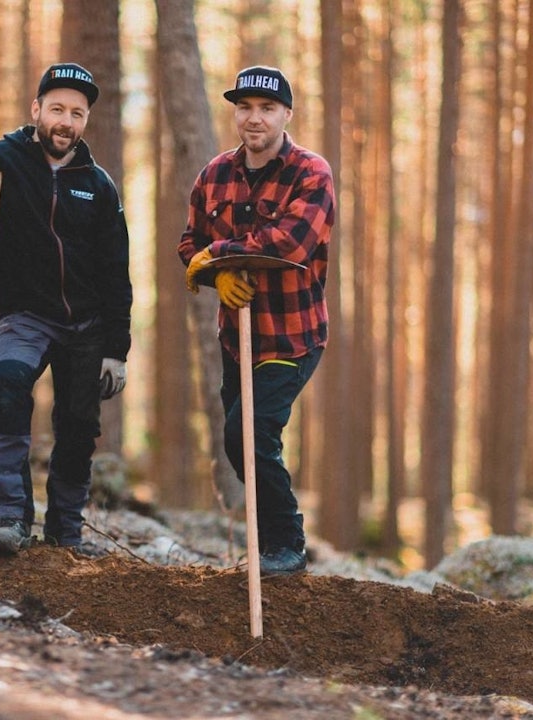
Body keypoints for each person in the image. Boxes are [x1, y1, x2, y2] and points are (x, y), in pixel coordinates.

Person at [0, 62, 132, 556]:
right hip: (25, 315)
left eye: (77, 114)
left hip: (87, 326)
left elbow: (116, 272)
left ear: (85, 121)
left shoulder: (98, 184)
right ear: (36, 109)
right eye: (57, 109)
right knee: (5, 385)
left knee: (78, 426)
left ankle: (66, 532)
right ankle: (11, 516)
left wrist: (116, 350)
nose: (66, 122)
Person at [178, 66, 335, 575]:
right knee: (238, 441)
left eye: (267, 108)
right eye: (245, 107)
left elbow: (290, 244)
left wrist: (217, 256)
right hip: (237, 335)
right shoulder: (214, 175)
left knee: (250, 431)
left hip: (292, 337)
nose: (254, 118)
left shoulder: (311, 173)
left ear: (287, 114)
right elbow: (190, 243)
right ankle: (270, 548)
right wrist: (214, 274)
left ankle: (288, 543)